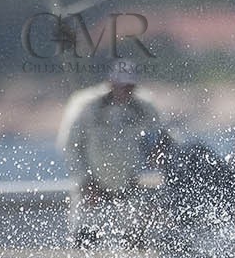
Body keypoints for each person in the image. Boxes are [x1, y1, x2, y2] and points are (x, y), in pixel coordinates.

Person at [57, 59, 160, 247]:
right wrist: (84, 182)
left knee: (135, 243)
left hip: (130, 188)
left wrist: (154, 163)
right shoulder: (86, 105)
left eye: (129, 87)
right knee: (85, 244)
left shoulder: (144, 106)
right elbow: (70, 146)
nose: (124, 92)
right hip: (92, 190)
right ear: (111, 82)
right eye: (120, 86)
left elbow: (160, 140)